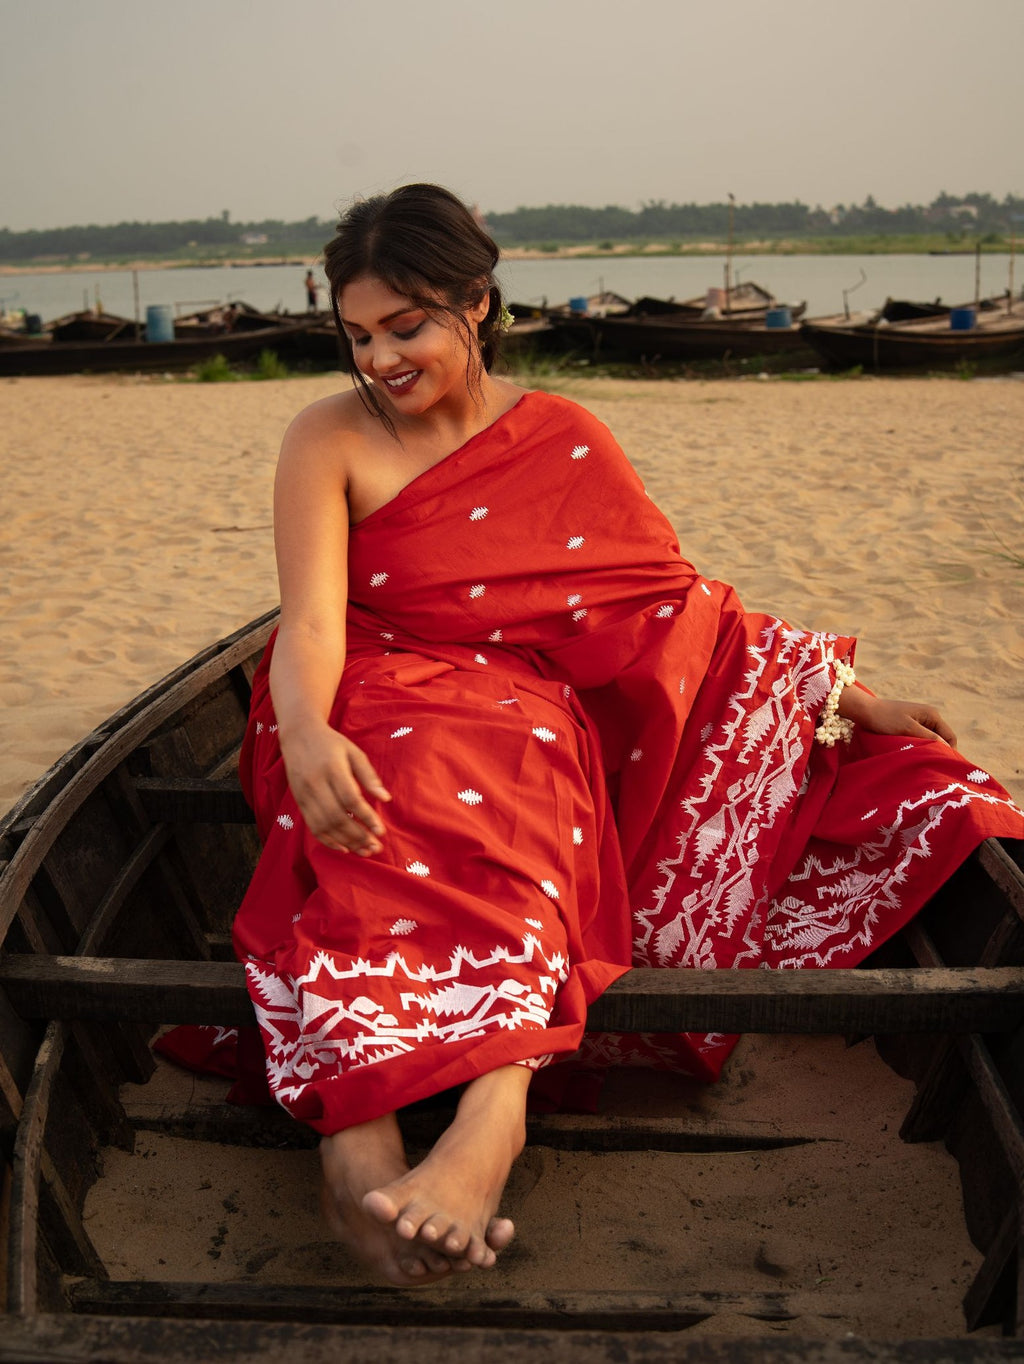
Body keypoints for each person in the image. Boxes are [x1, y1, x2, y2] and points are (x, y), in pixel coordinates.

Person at [217, 184, 1023, 1286]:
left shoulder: (562, 436)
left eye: (405, 327)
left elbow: (668, 607)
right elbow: (310, 622)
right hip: (364, 687)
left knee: (532, 759)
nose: (382, 359)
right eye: (358, 336)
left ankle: (492, 1116)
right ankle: (358, 1140)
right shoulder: (327, 436)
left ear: (476, 303)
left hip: (522, 705)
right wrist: (308, 734)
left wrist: (845, 692)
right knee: (409, 767)